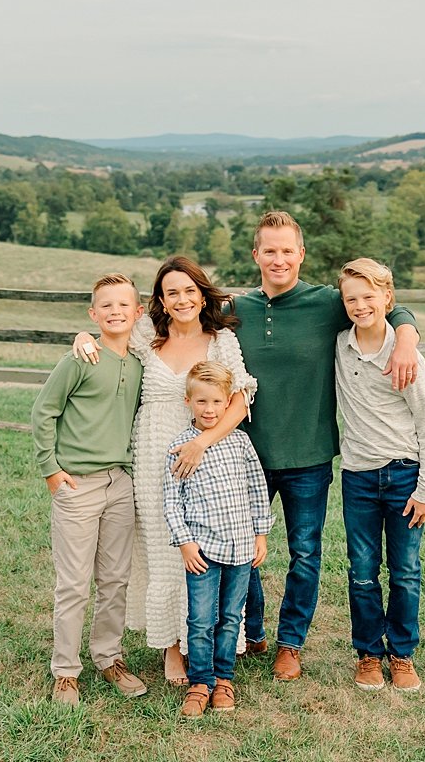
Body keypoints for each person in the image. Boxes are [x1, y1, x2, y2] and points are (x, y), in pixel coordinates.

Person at [235, 210, 420, 681]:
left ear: (302, 254)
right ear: (256, 254)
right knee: (241, 549)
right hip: (245, 455)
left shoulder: (326, 303)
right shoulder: (235, 309)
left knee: (305, 553)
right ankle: (251, 629)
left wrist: (407, 340)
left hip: (310, 457)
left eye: (287, 250)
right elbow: (174, 321)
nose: (279, 259)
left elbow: (386, 306)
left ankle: (290, 644)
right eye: (269, 250)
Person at [73, 257, 255, 685]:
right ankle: (172, 648)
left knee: (204, 549)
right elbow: (107, 333)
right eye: (172, 292)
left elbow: (242, 398)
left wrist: (200, 443)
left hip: (208, 452)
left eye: (189, 290)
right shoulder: (146, 335)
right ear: (160, 300)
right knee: (163, 550)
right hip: (153, 452)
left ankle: (204, 643)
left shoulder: (221, 340)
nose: (182, 299)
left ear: (201, 293)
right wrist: (82, 335)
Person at [31, 273, 149, 705]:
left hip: (120, 483)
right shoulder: (80, 359)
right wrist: (51, 470)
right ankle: (65, 671)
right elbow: (44, 411)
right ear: (93, 313)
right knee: (74, 583)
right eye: (106, 306)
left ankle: (109, 657)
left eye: (124, 305)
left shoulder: (139, 362)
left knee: (115, 579)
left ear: (138, 313)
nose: (116, 312)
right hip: (77, 484)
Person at [334, 257, 425, 693]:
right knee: (361, 569)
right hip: (358, 476)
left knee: (405, 570)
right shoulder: (339, 346)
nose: (360, 305)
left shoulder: (405, 354)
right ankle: (367, 653)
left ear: (388, 299)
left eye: (369, 297)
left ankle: (401, 654)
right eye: (351, 299)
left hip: (404, 475)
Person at [162, 361, 271, 718]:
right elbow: (171, 500)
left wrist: (261, 535)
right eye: (202, 402)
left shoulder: (239, 442)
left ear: (228, 404)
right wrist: (185, 542)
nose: (209, 410)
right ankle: (200, 682)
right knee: (201, 619)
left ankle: (224, 678)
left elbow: (257, 488)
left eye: (217, 403)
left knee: (229, 616)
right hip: (203, 551)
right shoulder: (180, 447)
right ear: (188, 401)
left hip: (241, 548)